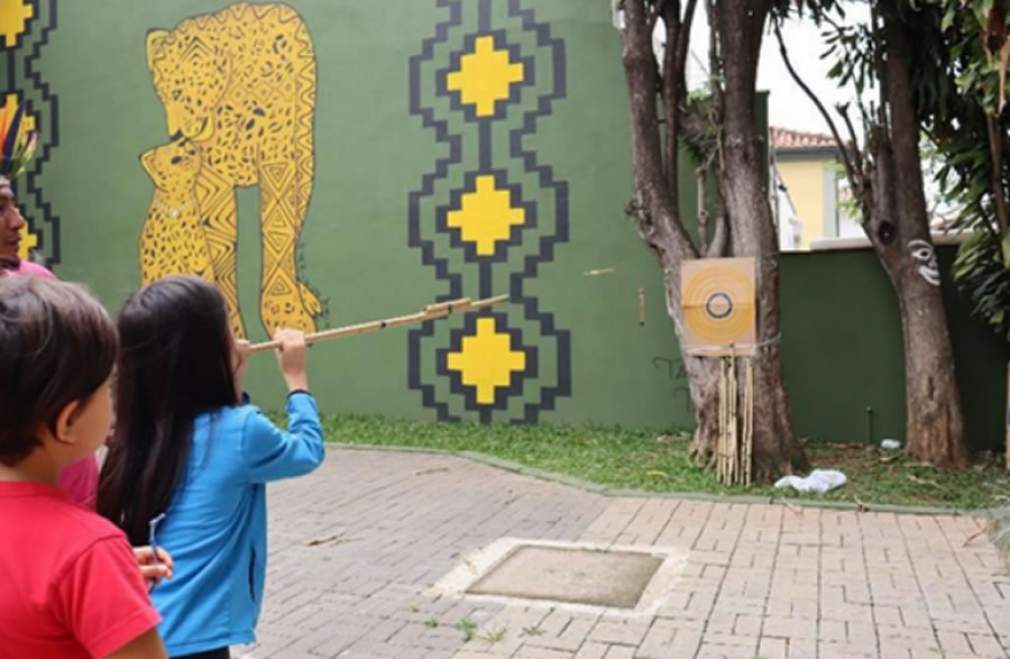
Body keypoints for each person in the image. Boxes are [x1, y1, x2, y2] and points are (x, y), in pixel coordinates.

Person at [98, 276, 326, 659]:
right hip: (195, 637)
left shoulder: (132, 429)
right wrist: (297, 379)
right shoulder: (242, 431)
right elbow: (306, 451)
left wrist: (230, 376)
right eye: (229, 330)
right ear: (209, 354)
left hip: (137, 632)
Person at [0, 276, 168, 658]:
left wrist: (100, 587)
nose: (113, 398)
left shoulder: (87, 560)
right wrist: (96, 571)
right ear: (68, 421)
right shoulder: (90, 550)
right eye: (106, 386)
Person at [0, 175, 100, 506]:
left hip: (76, 494)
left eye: (13, 205)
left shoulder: (37, 282)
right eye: (0, 209)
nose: (18, 221)